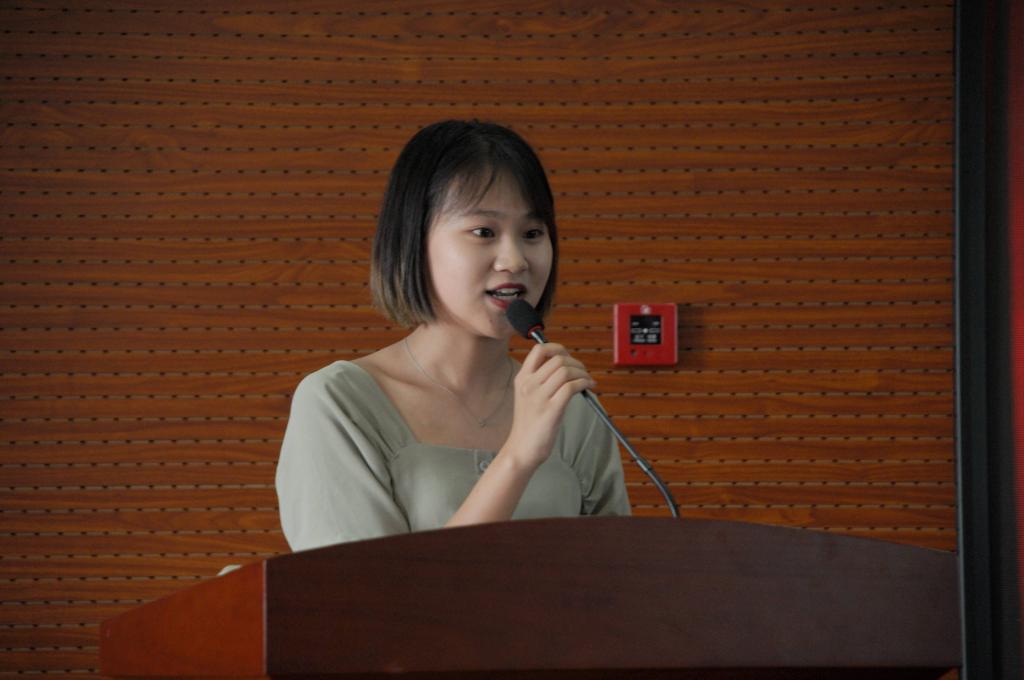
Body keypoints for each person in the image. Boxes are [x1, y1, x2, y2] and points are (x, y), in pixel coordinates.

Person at [275, 120, 631, 552]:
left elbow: (617, 576)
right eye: (484, 232)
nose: (515, 260)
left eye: (533, 234)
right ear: (414, 240)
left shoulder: (569, 406)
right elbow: (365, 590)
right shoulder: (339, 402)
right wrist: (518, 457)